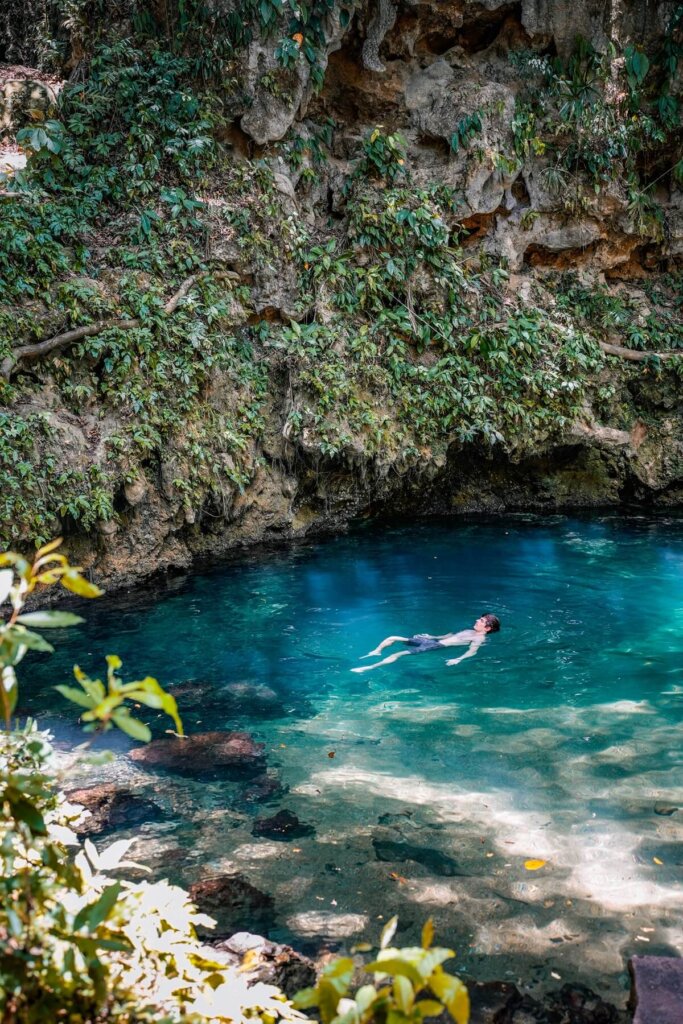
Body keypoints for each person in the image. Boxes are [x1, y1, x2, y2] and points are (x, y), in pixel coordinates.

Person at [351, 613, 500, 673]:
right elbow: (447, 635)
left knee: (398, 653)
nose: (477, 620)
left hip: (436, 646)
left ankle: (369, 668)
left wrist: (458, 659)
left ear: (487, 628)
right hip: (432, 641)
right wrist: (431, 636)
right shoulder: (469, 630)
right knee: (393, 637)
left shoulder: (479, 638)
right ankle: (377, 651)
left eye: (481, 621)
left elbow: (472, 651)